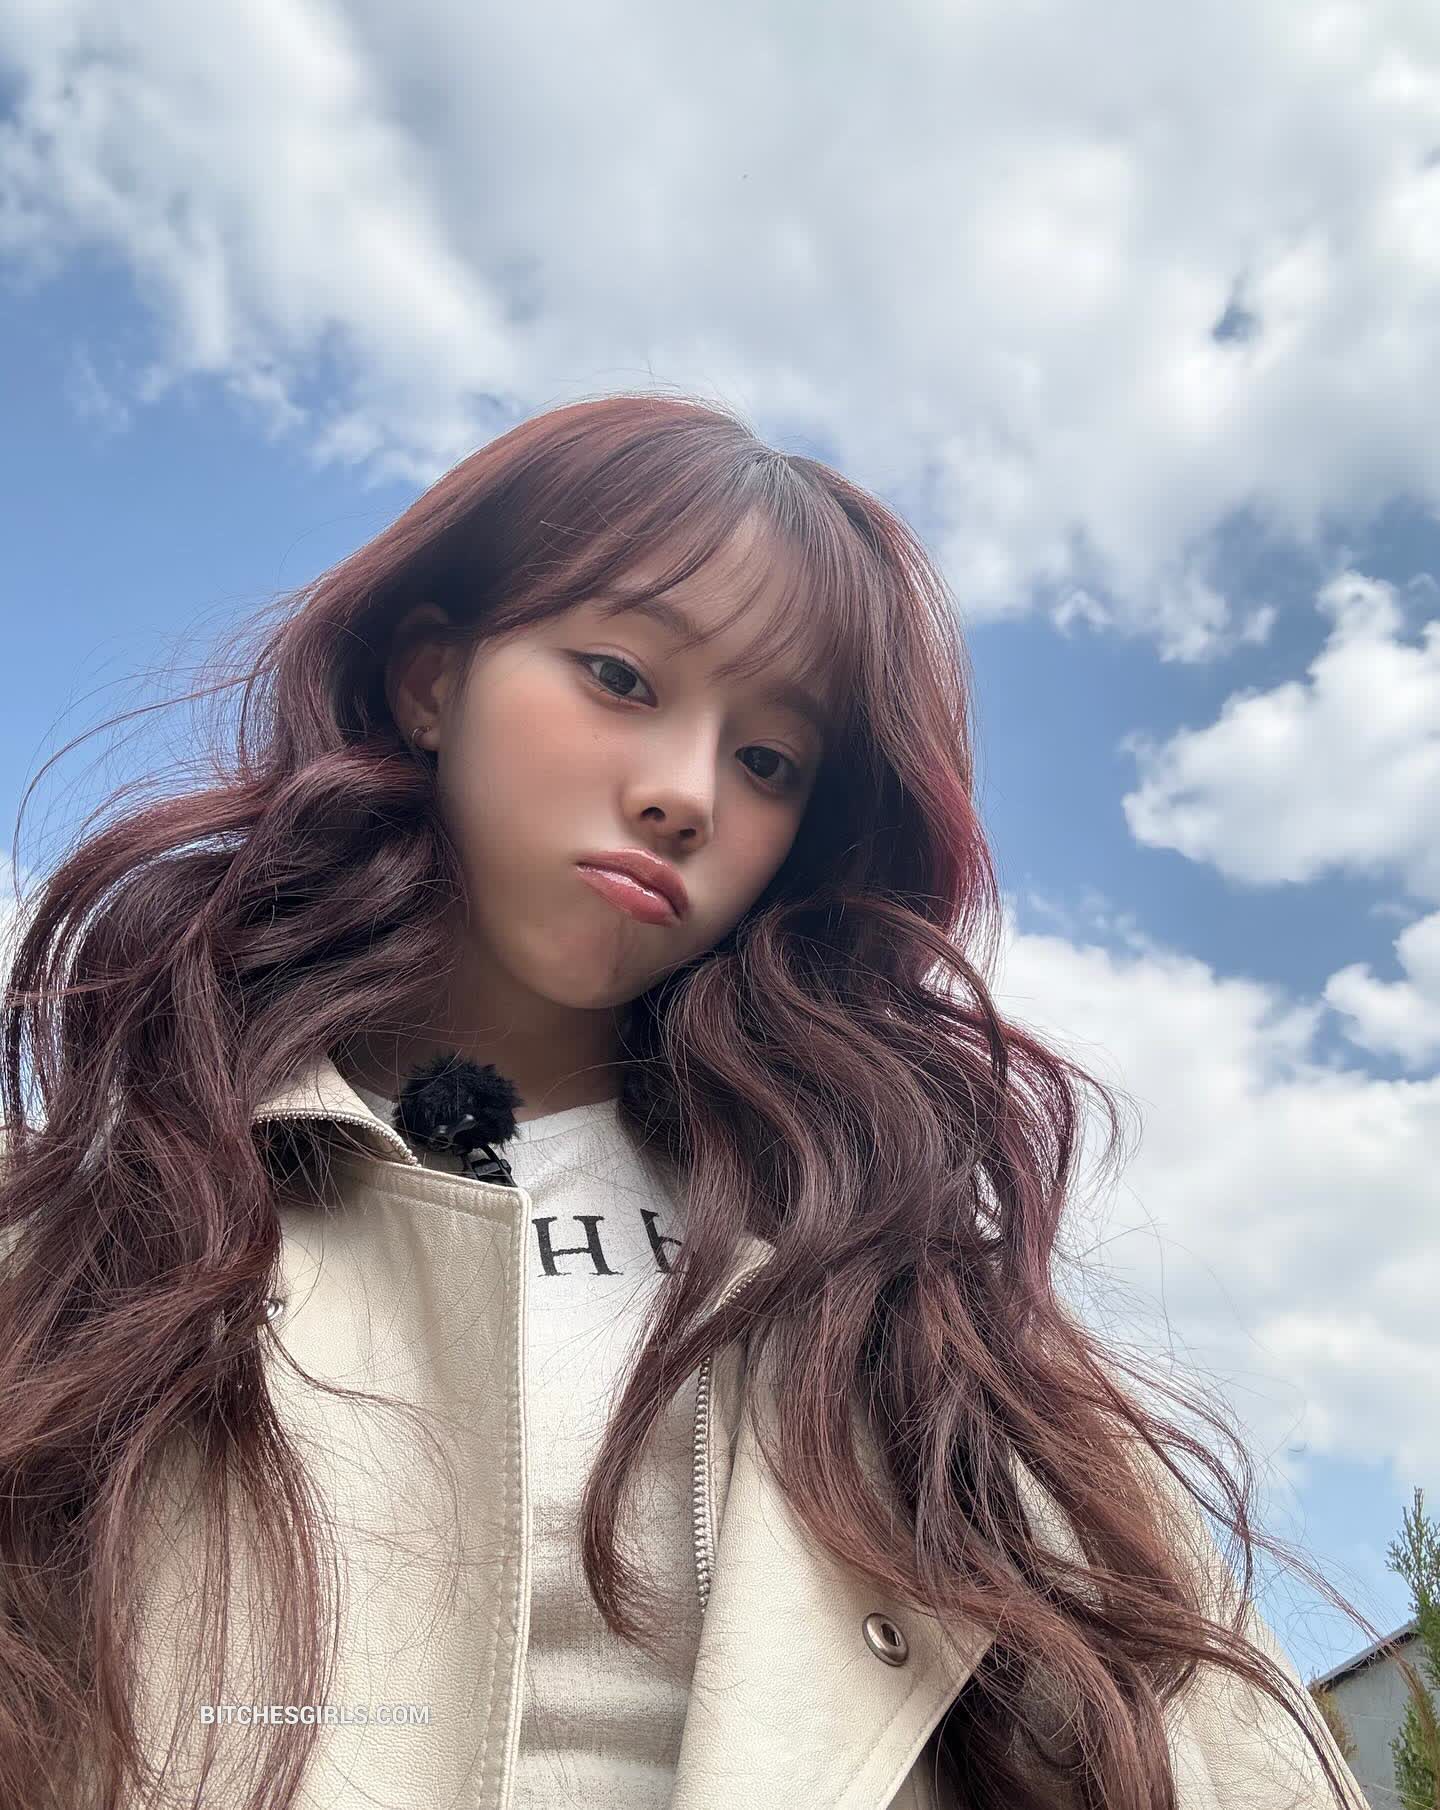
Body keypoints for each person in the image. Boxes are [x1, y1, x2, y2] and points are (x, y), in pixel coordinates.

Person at [0, 392, 1372, 1810]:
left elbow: (1223, 1745)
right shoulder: (110, 1220)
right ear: (431, 680)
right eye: (620, 676)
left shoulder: (908, 1295)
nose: (686, 795)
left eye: (768, 760)